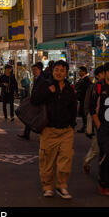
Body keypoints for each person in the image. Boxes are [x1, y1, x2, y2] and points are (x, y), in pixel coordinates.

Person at [31, 60, 77, 199]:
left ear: (66, 72)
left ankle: (62, 186)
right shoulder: (45, 84)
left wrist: (72, 125)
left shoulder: (69, 88)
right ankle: (47, 187)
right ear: (52, 71)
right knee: (47, 161)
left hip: (66, 130)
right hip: (49, 130)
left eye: (62, 70)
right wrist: (47, 91)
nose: (59, 72)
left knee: (66, 159)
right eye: (56, 69)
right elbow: (34, 99)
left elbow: (73, 108)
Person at [90, 61, 109, 195]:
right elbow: (92, 109)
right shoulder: (99, 87)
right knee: (107, 154)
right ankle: (103, 182)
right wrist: (99, 126)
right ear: (105, 73)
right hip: (104, 127)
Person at [82, 65, 105, 175]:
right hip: (96, 121)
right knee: (96, 147)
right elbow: (87, 105)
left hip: (108, 122)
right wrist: (89, 118)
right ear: (97, 76)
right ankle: (87, 161)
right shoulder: (93, 87)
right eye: (103, 74)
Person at [18, 62, 45, 140]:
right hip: (35, 101)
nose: (34, 71)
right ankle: (26, 133)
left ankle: (40, 135)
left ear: (40, 70)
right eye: (33, 70)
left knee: (35, 119)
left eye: (35, 70)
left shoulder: (42, 79)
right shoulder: (37, 78)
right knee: (29, 117)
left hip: (39, 102)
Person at [75, 66, 92, 133]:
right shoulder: (82, 79)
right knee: (83, 114)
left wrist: (78, 92)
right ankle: (85, 127)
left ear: (84, 72)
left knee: (84, 114)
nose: (79, 72)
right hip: (82, 99)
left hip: (84, 99)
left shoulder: (86, 80)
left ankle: (86, 127)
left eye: (80, 71)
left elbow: (84, 90)